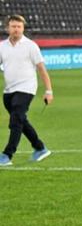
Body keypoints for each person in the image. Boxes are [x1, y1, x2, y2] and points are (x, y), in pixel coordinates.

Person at [0, 14, 53, 166]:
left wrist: (48, 91)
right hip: (9, 91)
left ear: (23, 28)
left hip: (26, 88)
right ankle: (40, 147)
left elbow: (42, 69)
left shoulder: (31, 46)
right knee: (20, 120)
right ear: (7, 28)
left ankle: (7, 154)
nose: (16, 29)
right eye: (13, 26)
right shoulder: (2, 46)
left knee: (16, 118)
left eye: (19, 26)